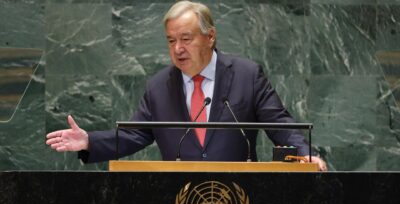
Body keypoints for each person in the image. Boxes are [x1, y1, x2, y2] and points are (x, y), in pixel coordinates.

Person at [46, 1, 327, 171]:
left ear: (211, 36)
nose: (178, 48)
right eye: (171, 41)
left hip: (243, 199)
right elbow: (134, 136)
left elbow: (280, 123)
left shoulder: (246, 75)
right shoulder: (159, 87)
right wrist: (89, 141)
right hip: (179, 202)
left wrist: (305, 154)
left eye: (186, 38)